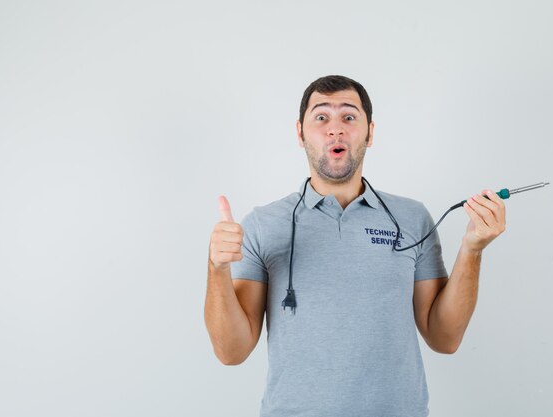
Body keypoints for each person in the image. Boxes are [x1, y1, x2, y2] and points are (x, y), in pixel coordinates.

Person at [204, 75, 506, 417]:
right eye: (321, 117)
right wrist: (217, 268)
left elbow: (444, 338)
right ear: (300, 134)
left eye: (349, 117)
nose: (336, 129)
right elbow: (232, 352)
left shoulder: (412, 218)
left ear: (370, 133)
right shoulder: (262, 224)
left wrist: (472, 249)